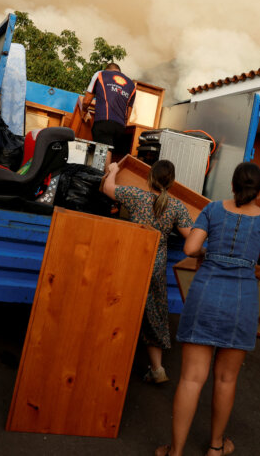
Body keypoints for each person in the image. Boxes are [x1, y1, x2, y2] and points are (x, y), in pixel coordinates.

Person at [156, 162, 260, 456]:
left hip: (205, 295)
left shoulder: (213, 210)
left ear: (232, 185)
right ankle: (216, 448)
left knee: (191, 378)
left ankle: (175, 452)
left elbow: (191, 249)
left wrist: (208, 252)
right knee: (226, 379)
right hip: (242, 302)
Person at [102, 159, 192, 384]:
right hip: (156, 265)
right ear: (171, 182)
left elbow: (107, 188)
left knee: (118, 309)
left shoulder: (136, 195)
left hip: (131, 262)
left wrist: (113, 170)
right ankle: (157, 369)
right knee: (154, 316)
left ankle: (106, 360)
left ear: (149, 177)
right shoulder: (176, 206)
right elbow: (191, 237)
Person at [81, 62, 136, 167]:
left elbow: (86, 101)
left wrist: (83, 111)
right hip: (120, 127)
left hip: (104, 122)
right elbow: (127, 114)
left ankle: (105, 179)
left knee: (104, 153)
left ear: (107, 69)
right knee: (107, 150)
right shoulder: (131, 84)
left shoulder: (100, 74)